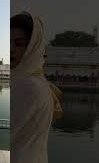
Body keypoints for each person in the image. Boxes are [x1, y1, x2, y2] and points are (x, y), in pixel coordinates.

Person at [11, 12, 63, 163]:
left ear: (33, 47)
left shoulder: (28, 86)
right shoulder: (36, 81)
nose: (11, 48)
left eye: (19, 43)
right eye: (8, 42)